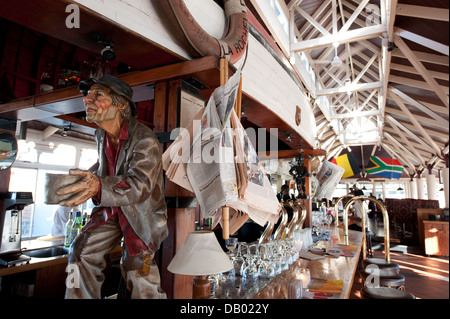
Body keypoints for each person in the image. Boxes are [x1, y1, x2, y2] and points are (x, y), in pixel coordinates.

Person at [57, 75, 168, 299]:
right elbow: (107, 163)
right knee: (79, 253)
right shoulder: (101, 134)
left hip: (140, 214)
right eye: (88, 95)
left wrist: (97, 185)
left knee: (138, 268)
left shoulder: (144, 139)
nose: (87, 99)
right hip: (111, 206)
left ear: (121, 104)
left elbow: (140, 185)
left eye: (98, 95)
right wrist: (84, 180)